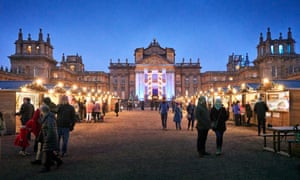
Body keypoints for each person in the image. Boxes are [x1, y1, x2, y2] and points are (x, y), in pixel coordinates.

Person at [39, 104, 63, 173]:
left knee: (47, 152)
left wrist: (47, 138)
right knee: (49, 152)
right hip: (50, 137)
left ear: (42, 111)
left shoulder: (49, 119)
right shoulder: (48, 117)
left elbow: (51, 130)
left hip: (50, 137)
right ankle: (58, 161)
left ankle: (47, 167)